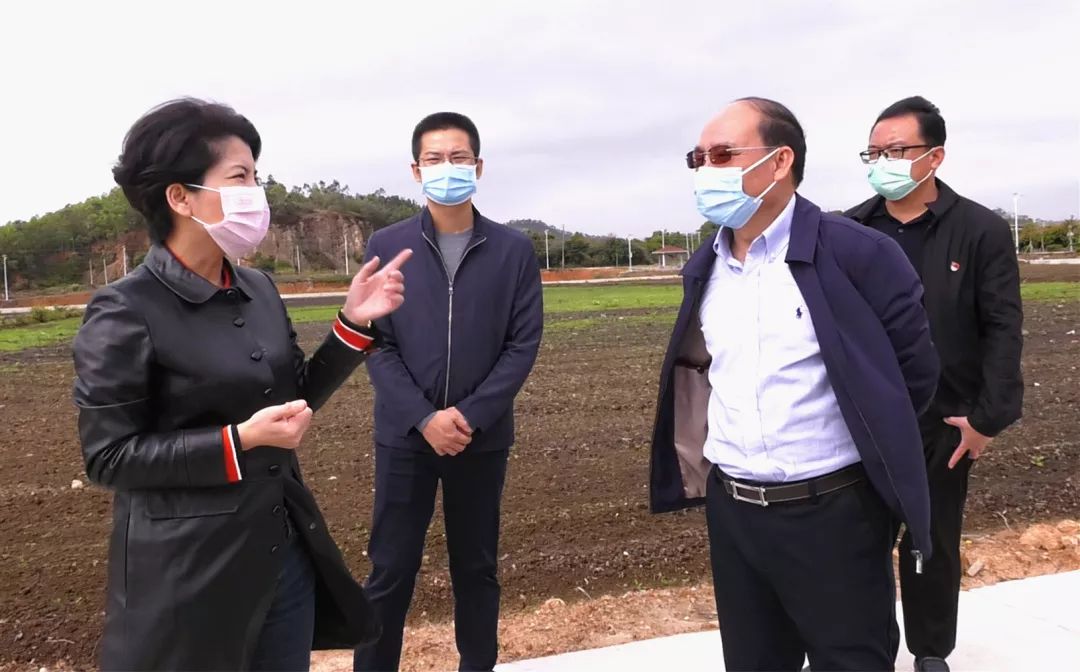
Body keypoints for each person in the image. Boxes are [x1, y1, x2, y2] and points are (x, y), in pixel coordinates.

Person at [73, 98, 412, 671]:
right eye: (240, 177)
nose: (257, 192)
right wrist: (238, 441)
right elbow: (109, 457)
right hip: (188, 576)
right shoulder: (125, 309)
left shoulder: (258, 288)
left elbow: (290, 400)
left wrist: (353, 323)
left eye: (256, 176)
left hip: (282, 556)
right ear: (180, 197)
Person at [649, 97, 940, 671]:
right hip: (735, 513)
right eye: (697, 158)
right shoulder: (706, 266)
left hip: (834, 513)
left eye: (723, 155)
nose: (706, 170)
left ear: (780, 161)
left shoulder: (859, 253)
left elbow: (913, 376)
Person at [352, 112, 543, 672]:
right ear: (416, 170)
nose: (447, 167)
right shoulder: (388, 244)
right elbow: (376, 343)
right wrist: (423, 417)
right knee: (390, 569)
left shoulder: (512, 249)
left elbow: (522, 343)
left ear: (478, 166)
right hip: (405, 438)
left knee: (476, 568)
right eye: (434, 159)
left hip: (479, 439)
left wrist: (470, 415)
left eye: (458, 157)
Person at [845, 96, 1024, 672]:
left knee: (932, 541)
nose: (883, 162)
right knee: (857, 543)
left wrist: (986, 419)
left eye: (897, 150)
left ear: (935, 156)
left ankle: (929, 651)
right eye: (874, 152)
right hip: (861, 421)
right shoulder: (849, 230)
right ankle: (863, 649)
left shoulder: (979, 230)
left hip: (943, 420)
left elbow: (1002, 326)